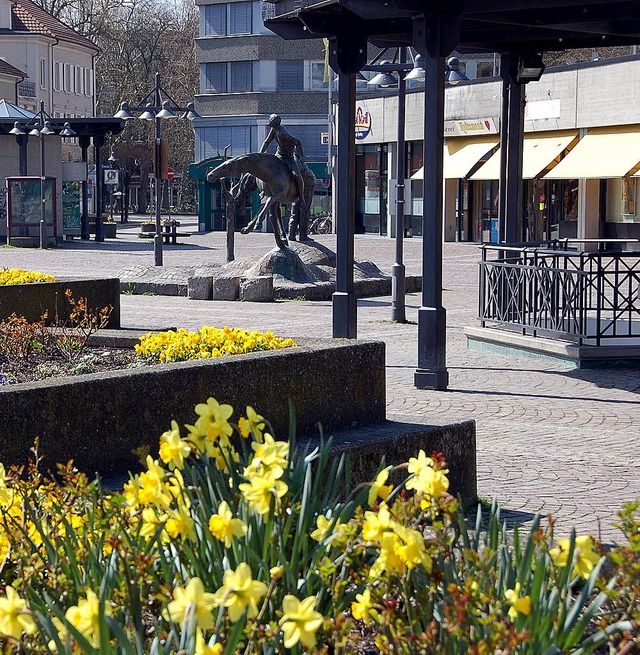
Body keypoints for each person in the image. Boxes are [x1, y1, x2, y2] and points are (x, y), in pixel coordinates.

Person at [260, 114, 306, 208]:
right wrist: (260, 154)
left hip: (288, 157)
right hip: (278, 155)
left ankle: (301, 198)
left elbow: (298, 142)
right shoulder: (274, 130)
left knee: (297, 175)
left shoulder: (283, 134)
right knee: (267, 169)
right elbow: (266, 142)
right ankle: (264, 190)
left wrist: (301, 156)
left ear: (274, 123)